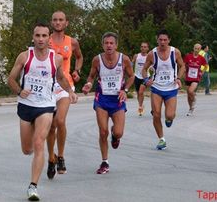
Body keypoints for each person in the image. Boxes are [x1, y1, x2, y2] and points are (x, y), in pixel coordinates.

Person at [8, 23, 78, 201]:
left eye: (44, 36)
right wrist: (18, 90)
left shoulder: (56, 59)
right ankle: (33, 155)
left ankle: (33, 187)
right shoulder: (25, 57)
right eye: (37, 36)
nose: (40, 39)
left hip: (46, 105)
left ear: (49, 39)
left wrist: (70, 91)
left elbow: (61, 78)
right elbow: (11, 79)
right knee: (27, 149)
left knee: (39, 143)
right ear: (33, 37)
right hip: (26, 105)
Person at [81, 32, 134, 174]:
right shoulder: (97, 60)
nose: (109, 45)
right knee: (102, 131)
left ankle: (114, 135)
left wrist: (125, 90)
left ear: (116, 45)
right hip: (102, 99)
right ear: (103, 45)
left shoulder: (124, 59)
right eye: (106, 43)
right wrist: (88, 84)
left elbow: (132, 76)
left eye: (111, 43)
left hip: (117, 100)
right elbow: (91, 76)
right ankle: (105, 162)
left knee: (118, 132)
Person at [46, 11, 83, 179]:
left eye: (61, 20)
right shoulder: (45, 40)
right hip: (47, 87)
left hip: (65, 85)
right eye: (55, 20)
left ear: (66, 23)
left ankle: (60, 156)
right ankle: (51, 158)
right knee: (49, 126)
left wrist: (77, 70)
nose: (58, 22)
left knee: (59, 120)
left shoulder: (72, 42)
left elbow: (79, 57)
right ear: (51, 22)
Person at [141, 29, 185, 150]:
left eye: (165, 40)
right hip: (156, 87)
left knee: (170, 115)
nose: (163, 42)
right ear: (157, 40)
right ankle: (161, 139)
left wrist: (178, 78)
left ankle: (169, 119)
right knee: (156, 114)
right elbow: (144, 69)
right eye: (160, 40)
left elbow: (182, 66)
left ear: (169, 40)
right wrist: (146, 80)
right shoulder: (152, 54)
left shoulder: (175, 52)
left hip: (171, 87)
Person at [183, 43, 207, 116]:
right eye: (195, 48)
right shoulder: (188, 56)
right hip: (188, 77)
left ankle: (194, 100)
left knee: (191, 91)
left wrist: (202, 73)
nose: (196, 50)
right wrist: (184, 73)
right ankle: (191, 108)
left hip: (196, 78)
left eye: (198, 49)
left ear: (200, 50)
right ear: (193, 48)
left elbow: (206, 66)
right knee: (188, 94)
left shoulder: (201, 58)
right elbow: (183, 65)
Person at [132, 42, 150, 116]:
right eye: (142, 46)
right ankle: (140, 105)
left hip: (145, 77)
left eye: (145, 47)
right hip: (137, 76)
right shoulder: (136, 56)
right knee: (138, 93)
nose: (143, 48)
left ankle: (140, 107)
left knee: (141, 92)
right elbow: (131, 63)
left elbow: (153, 65)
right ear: (140, 48)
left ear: (148, 48)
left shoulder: (149, 56)